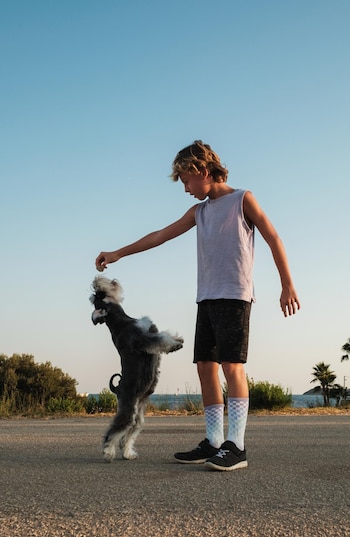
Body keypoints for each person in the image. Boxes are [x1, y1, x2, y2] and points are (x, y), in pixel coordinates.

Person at [95, 140, 300, 471]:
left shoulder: (242, 200)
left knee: (232, 366)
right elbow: (160, 235)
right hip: (206, 297)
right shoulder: (199, 212)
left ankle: (237, 446)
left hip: (234, 296)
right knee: (205, 366)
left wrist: (287, 283)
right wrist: (119, 252)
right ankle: (214, 442)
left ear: (203, 171)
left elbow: (273, 237)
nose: (186, 188)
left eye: (187, 181)